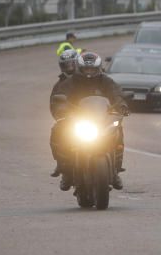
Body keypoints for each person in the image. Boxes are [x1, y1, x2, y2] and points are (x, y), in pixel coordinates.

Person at [60, 52, 129, 190]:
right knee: (62, 134)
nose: (89, 72)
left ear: (98, 68)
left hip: (102, 119)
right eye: (86, 69)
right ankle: (66, 172)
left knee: (118, 130)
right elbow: (62, 96)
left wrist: (122, 105)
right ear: (80, 68)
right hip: (79, 119)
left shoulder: (106, 81)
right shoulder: (72, 82)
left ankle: (115, 171)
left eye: (92, 69)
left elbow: (116, 93)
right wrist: (62, 107)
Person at [49, 49, 79, 187]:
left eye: (72, 64)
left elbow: (104, 94)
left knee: (115, 128)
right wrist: (60, 116)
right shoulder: (59, 85)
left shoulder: (90, 78)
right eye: (66, 65)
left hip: (93, 116)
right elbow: (53, 104)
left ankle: (115, 167)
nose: (69, 67)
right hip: (70, 119)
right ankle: (62, 167)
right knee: (56, 132)